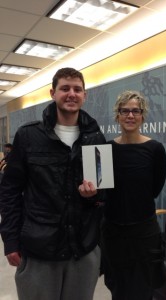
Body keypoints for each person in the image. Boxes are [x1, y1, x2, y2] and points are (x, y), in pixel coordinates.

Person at [0, 67, 106, 300]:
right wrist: (10, 239)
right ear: (52, 93)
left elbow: (103, 191)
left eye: (77, 89)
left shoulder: (95, 137)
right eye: (65, 88)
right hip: (40, 248)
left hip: (83, 247)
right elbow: (9, 191)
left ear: (84, 95)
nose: (71, 94)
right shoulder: (28, 136)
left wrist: (93, 195)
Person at [101, 90, 166, 300]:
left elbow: (154, 189)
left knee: (144, 287)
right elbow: (101, 193)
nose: (130, 115)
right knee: (117, 285)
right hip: (113, 232)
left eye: (135, 111)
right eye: (125, 111)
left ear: (142, 116)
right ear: (117, 115)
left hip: (144, 233)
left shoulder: (155, 149)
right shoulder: (105, 150)